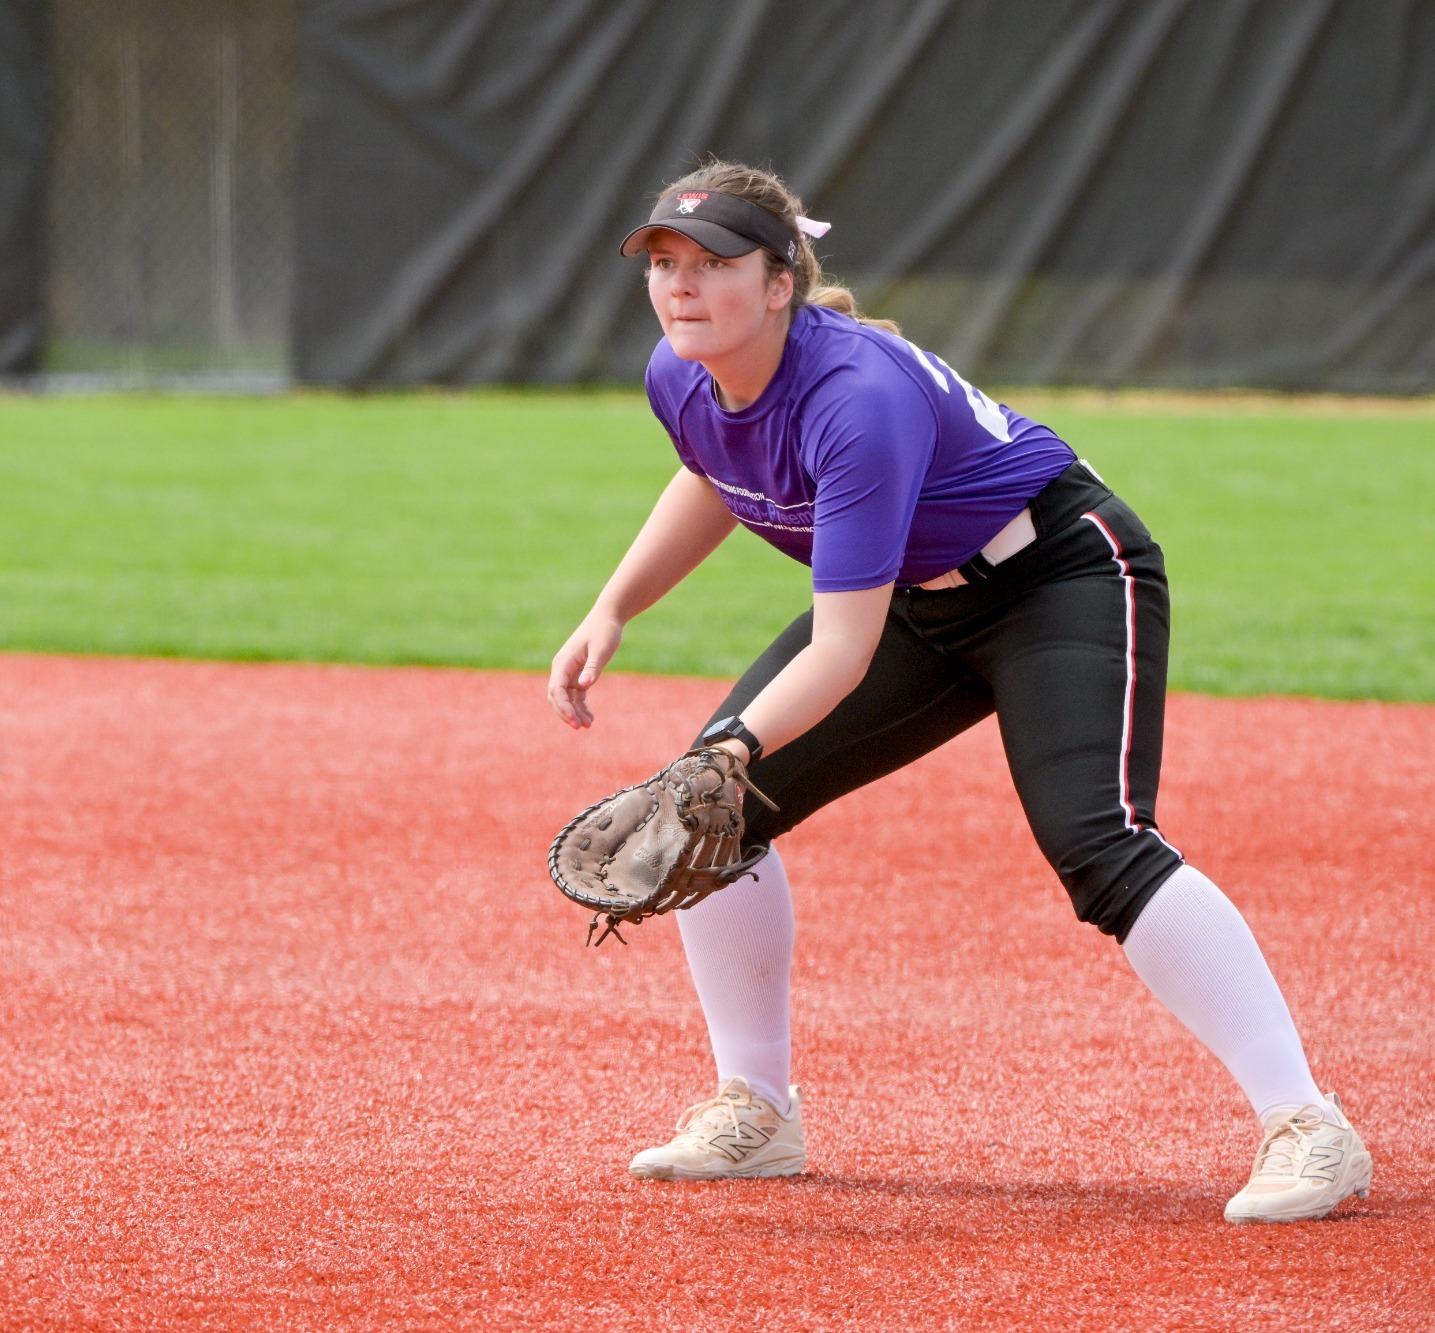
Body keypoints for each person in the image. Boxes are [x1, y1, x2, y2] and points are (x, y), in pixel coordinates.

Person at [545, 161, 1372, 1224]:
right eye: (664, 262)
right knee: (713, 810)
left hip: (1058, 577)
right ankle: (755, 1108)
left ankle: (1307, 1123)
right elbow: (714, 469)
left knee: (1097, 842)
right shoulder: (680, 370)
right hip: (911, 599)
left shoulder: (856, 397)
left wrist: (732, 743)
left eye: (713, 264)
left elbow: (841, 646)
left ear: (781, 280)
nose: (681, 286)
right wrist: (614, 607)